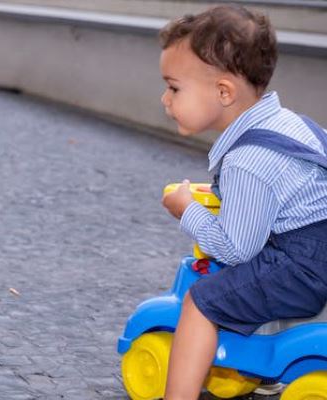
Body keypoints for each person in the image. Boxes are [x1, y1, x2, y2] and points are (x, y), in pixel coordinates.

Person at [159, 5, 327, 399]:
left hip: (305, 265)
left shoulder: (247, 162)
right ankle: (259, 363)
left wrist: (189, 210)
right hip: (316, 249)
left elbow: (235, 248)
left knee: (202, 301)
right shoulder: (292, 124)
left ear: (223, 92)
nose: (165, 99)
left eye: (174, 87)